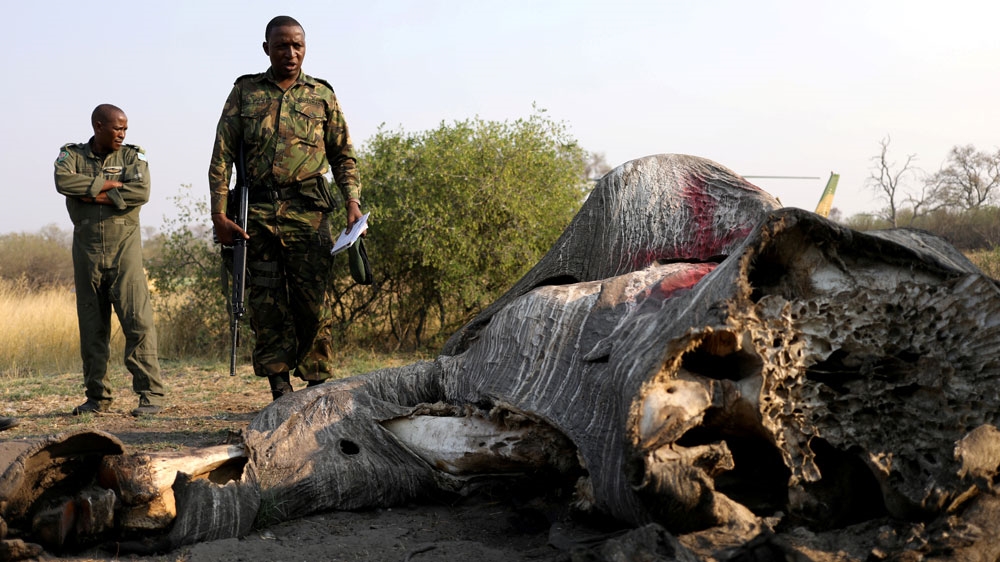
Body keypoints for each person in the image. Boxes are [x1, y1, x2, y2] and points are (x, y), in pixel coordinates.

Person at [209, 16, 362, 401]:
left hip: (308, 213)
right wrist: (219, 215)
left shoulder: (321, 94)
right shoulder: (244, 92)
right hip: (255, 214)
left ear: (304, 48)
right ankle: (279, 389)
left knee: (314, 303)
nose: (290, 53)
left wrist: (352, 202)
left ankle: (316, 386)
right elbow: (221, 156)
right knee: (266, 304)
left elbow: (343, 156)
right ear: (267, 49)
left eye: (297, 45)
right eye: (281, 46)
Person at [54, 104, 166, 417]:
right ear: (98, 126)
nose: (122, 134)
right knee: (92, 328)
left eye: (125, 128)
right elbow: (64, 182)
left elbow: (141, 191)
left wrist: (92, 193)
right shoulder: (72, 156)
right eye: (117, 128)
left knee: (138, 323)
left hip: (124, 252)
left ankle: (151, 396)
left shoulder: (132, 157)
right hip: (86, 252)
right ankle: (97, 398)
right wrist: (111, 185)